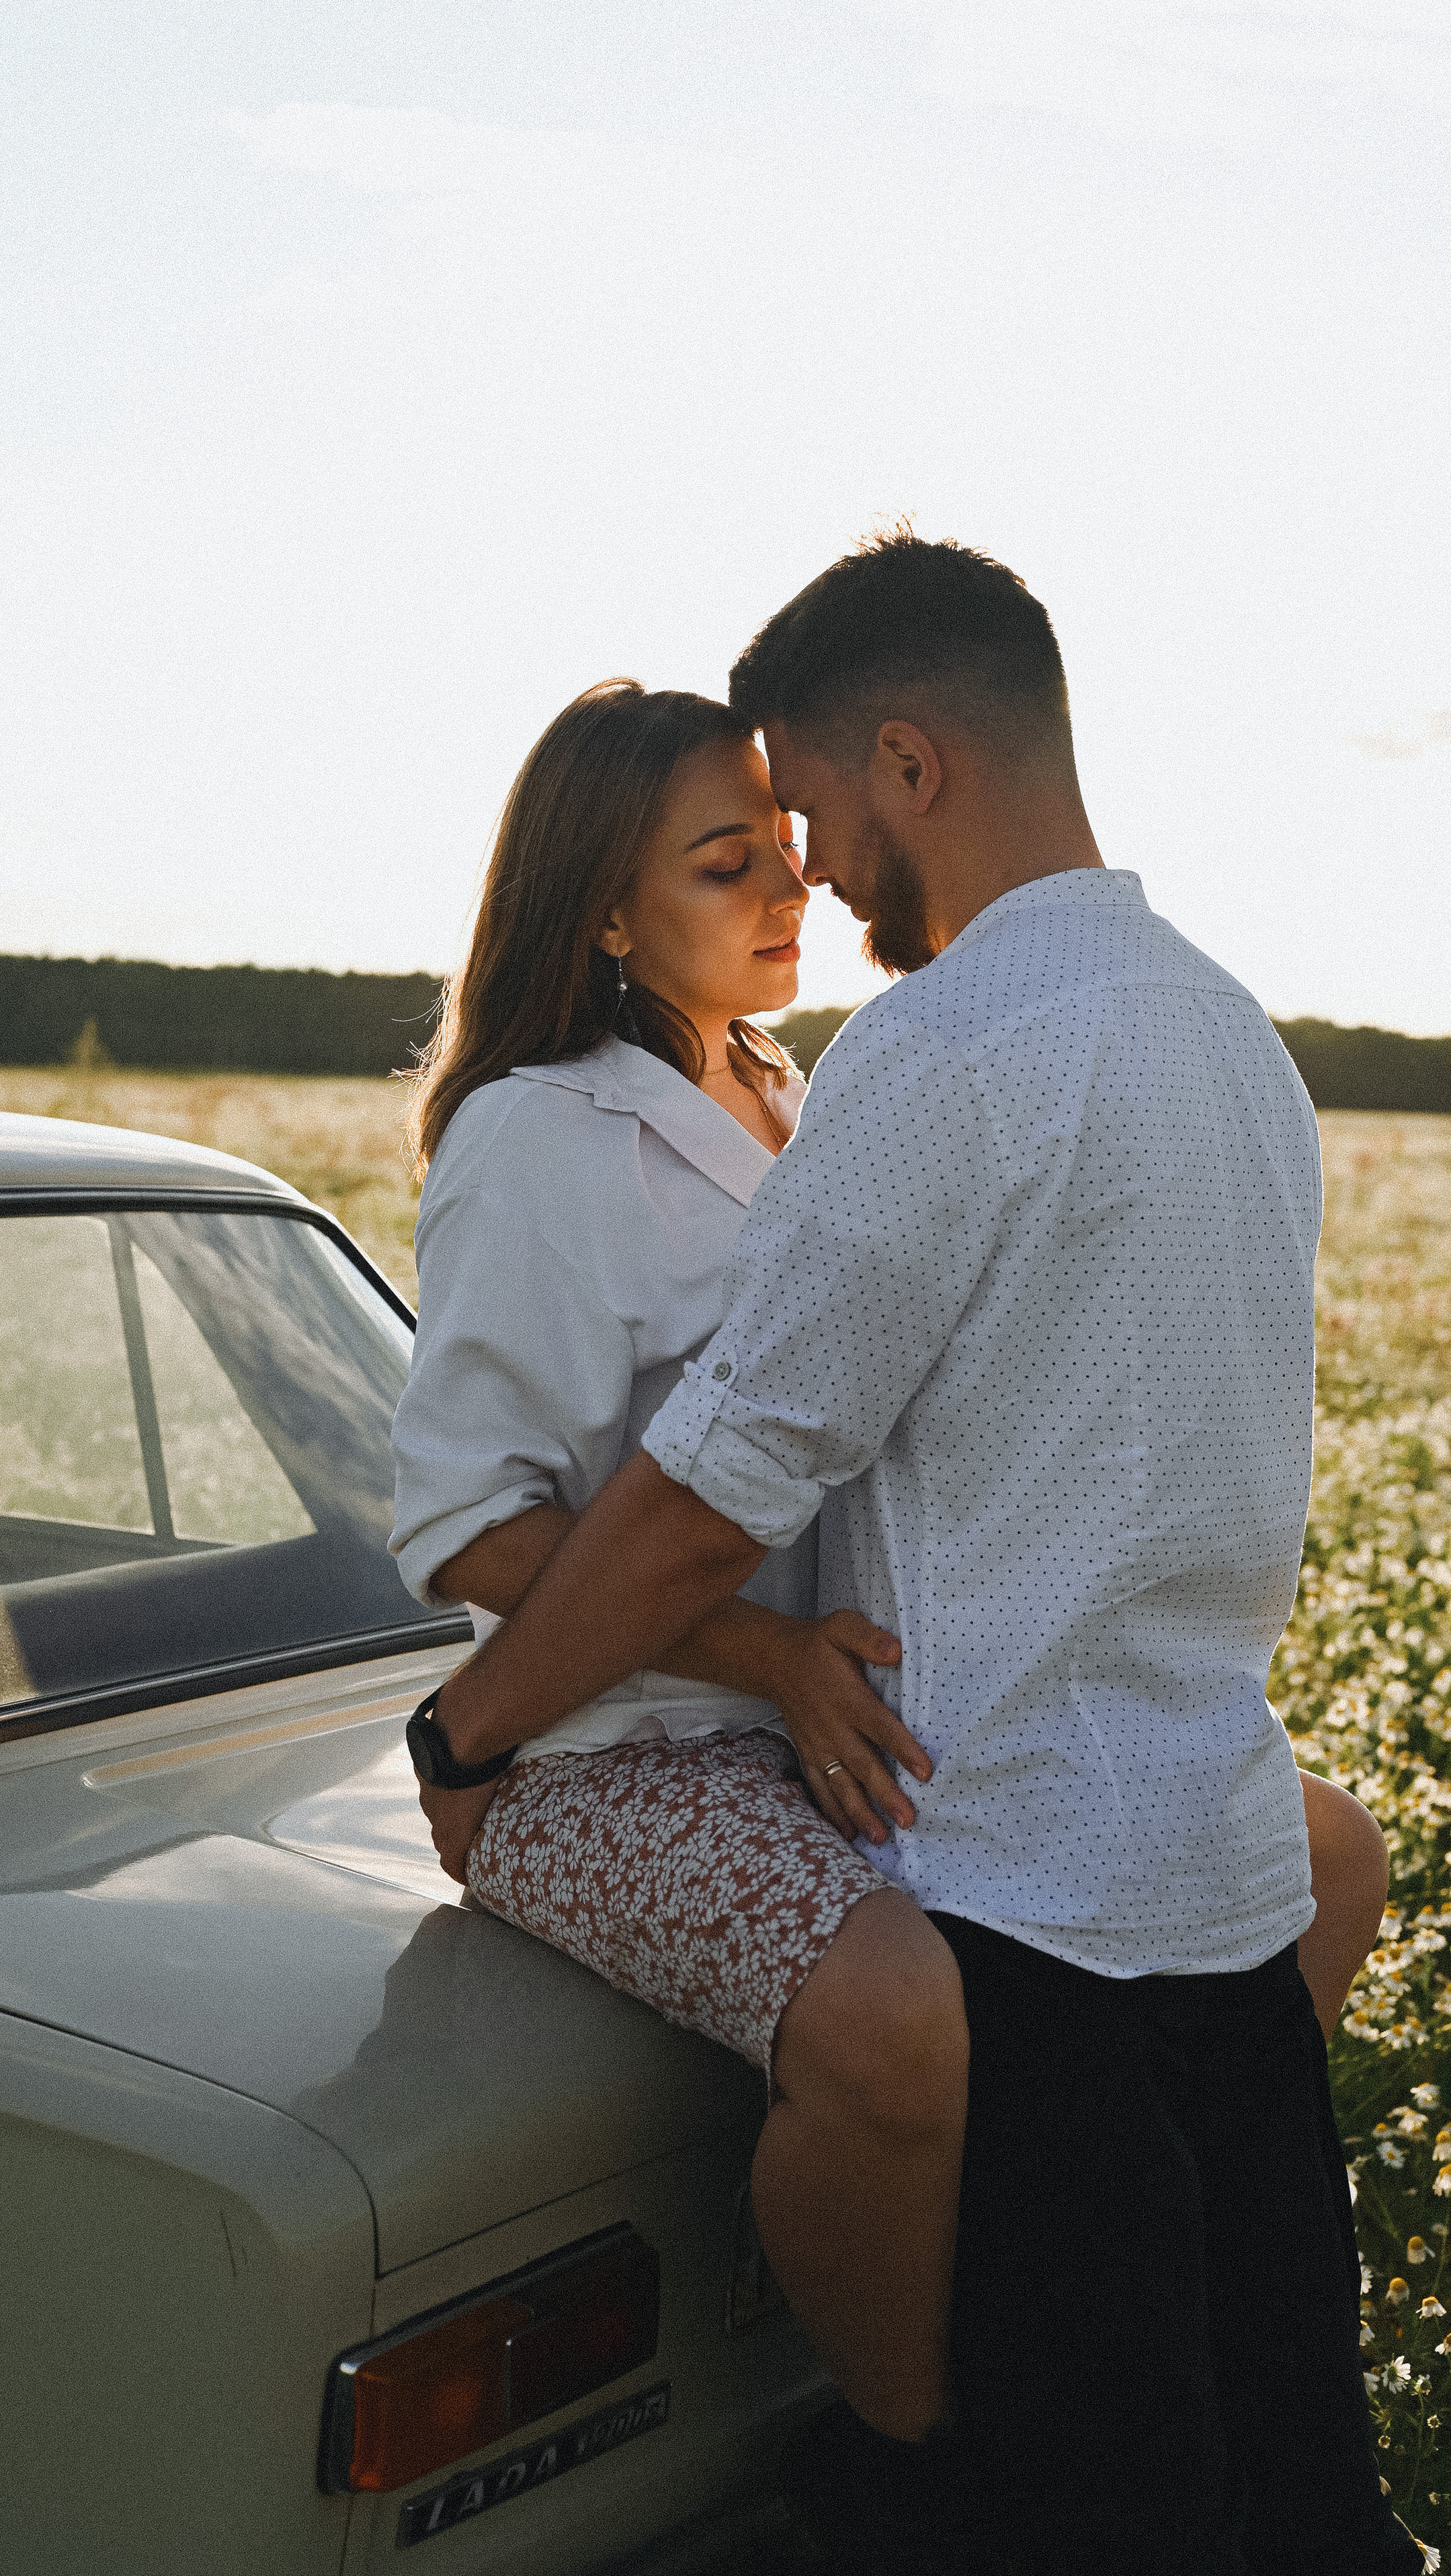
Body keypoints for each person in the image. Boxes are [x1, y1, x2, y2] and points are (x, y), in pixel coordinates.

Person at [391, 651, 1392, 2575]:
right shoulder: (536, 1136)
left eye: (786, 843)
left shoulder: (798, 1090)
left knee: (1321, 1858)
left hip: (811, 1726)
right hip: (610, 1737)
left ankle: (1067, 2291)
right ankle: (908, 2446)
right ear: (605, 913)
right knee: (898, 2003)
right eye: (726, 863)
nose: (792, 884)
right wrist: (757, 1655)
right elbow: (467, 1524)